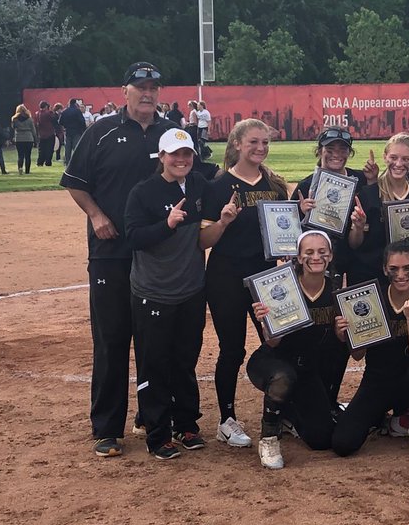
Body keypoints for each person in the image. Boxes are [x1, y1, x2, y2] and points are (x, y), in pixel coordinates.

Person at [62, 62, 215, 458]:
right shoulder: (101, 131)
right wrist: (96, 216)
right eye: (140, 86)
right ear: (125, 90)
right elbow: (75, 183)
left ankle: (158, 417)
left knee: (161, 346)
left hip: (164, 259)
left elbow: (206, 176)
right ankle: (107, 427)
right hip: (111, 251)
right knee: (113, 339)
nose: (147, 93)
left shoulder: (171, 133)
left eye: (153, 87)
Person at [123, 127, 214, 459]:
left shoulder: (199, 185)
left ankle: (186, 423)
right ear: (161, 157)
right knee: (154, 364)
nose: (182, 160)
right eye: (175, 154)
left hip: (190, 289)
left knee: (185, 361)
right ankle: (157, 432)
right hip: (153, 292)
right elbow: (132, 237)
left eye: (187, 154)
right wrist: (168, 224)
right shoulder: (143, 192)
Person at [199, 119, 290, 450]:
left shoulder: (275, 184)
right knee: (232, 348)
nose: (261, 148)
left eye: (265, 142)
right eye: (254, 142)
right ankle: (226, 419)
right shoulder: (218, 186)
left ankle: (284, 410)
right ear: (236, 143)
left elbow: (286, 235)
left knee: (280, 340)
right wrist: (223, 222)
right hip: (226, 276)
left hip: (266, 276)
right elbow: (203, 242)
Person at [245, 231, 348, 469]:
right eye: (309, 252)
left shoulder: (334, 291)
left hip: (306, 370)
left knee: (322, 440)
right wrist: (267, 324)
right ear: (299, 257)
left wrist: (341, 334)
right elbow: (272, 343)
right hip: (272, 362)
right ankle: (270, 437)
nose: (316, 257)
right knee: (283, 377)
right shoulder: (283, 287)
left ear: (330, 255)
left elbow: (340, 347)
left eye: (322, 252)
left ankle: (290, 414)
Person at [332, 239, 409, 458]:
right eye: (394, 269)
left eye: (408, 268)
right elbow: (358, 355)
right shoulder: (372, 298)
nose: (401, 274)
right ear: (384, 269)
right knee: (343, 444)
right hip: (377, 380)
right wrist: (346, 335)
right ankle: (384, 418)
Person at [348, 134, 409, 286]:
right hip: (372, 276)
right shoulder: (368, 194)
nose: (398, 163)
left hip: (406, 280)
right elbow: (354, 244)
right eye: (393, 157)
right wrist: (358, 227)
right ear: (385, 157)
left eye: (405, 159)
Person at [290, 127, 378, 278]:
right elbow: (291, 232)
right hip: (317, 265)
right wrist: (302, 214)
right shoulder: (306, 186)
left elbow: (374, 217)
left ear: (349, 153)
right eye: (330, 149)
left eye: (343, 149)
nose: (336, 154)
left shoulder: (361, 180)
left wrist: (372, 181)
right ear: (319, 151)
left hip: (352, 264)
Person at [10, 104, 37, 175]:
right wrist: (35, 139)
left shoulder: (14, 119)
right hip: (29, 138)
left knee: (20, 155)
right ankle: (27, 171)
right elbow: (33, 130)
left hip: (19, 138)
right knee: (28, 155)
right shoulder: (30, 119)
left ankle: (20, 169)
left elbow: (13, 128)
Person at [59, 98, 86, 165]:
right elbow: (82, 121)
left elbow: (60, 122)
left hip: (68, 132)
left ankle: (68, 163)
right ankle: (77, 163)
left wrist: (66, 125)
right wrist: (83, 130)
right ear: (75, 104)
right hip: (77, 132)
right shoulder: (77, 111)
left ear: (69, 103)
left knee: (67, 149)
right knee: (76, 148)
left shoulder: (65, 111)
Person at [35, 101, 58, 167]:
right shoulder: (49, 113)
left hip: (41, 134)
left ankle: (40, 162)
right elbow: (55, 120)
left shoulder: (37, 113)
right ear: (46, 107)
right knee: (49, 149)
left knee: (41, 149)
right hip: (50, 133)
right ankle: (48, 162)